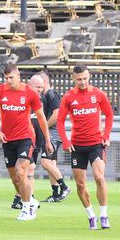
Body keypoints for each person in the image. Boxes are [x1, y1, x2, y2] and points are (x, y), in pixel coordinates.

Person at [0, 63, 53, 221]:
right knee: (15, 179)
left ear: (18, 76)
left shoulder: (29, 92)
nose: (9, 81)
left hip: (26, 137)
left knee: (20, 171)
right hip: (7, 139)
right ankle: (30, 201)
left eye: (12, 77)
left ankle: (27, 209)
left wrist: (47, 140)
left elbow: (41, 117)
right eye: (6, 78)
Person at [56, 65, 115, 229]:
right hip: (77, 147)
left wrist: (106, 136)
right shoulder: (68, 97)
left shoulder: (98, 94)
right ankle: (91, 215)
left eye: (85, 78)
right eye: (79, 79)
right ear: (73, 79)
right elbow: (60, 121)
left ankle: (104, 215)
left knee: (99, 177)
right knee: (80, 185)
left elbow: (109, 114)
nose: (82, 82)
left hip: (96, 143)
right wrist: (66, 142)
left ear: (89, 77)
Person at [28, 72, 70, 204]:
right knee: (51, 164)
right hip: (50, 133)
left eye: (40, 85)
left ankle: (64, 187)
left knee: (46, 162)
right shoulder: (43, 97)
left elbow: (57, 115)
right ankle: (56, 193)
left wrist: (43, 125)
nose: (39, 89)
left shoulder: (51, 94)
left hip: (53, 134)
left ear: (44, 82)